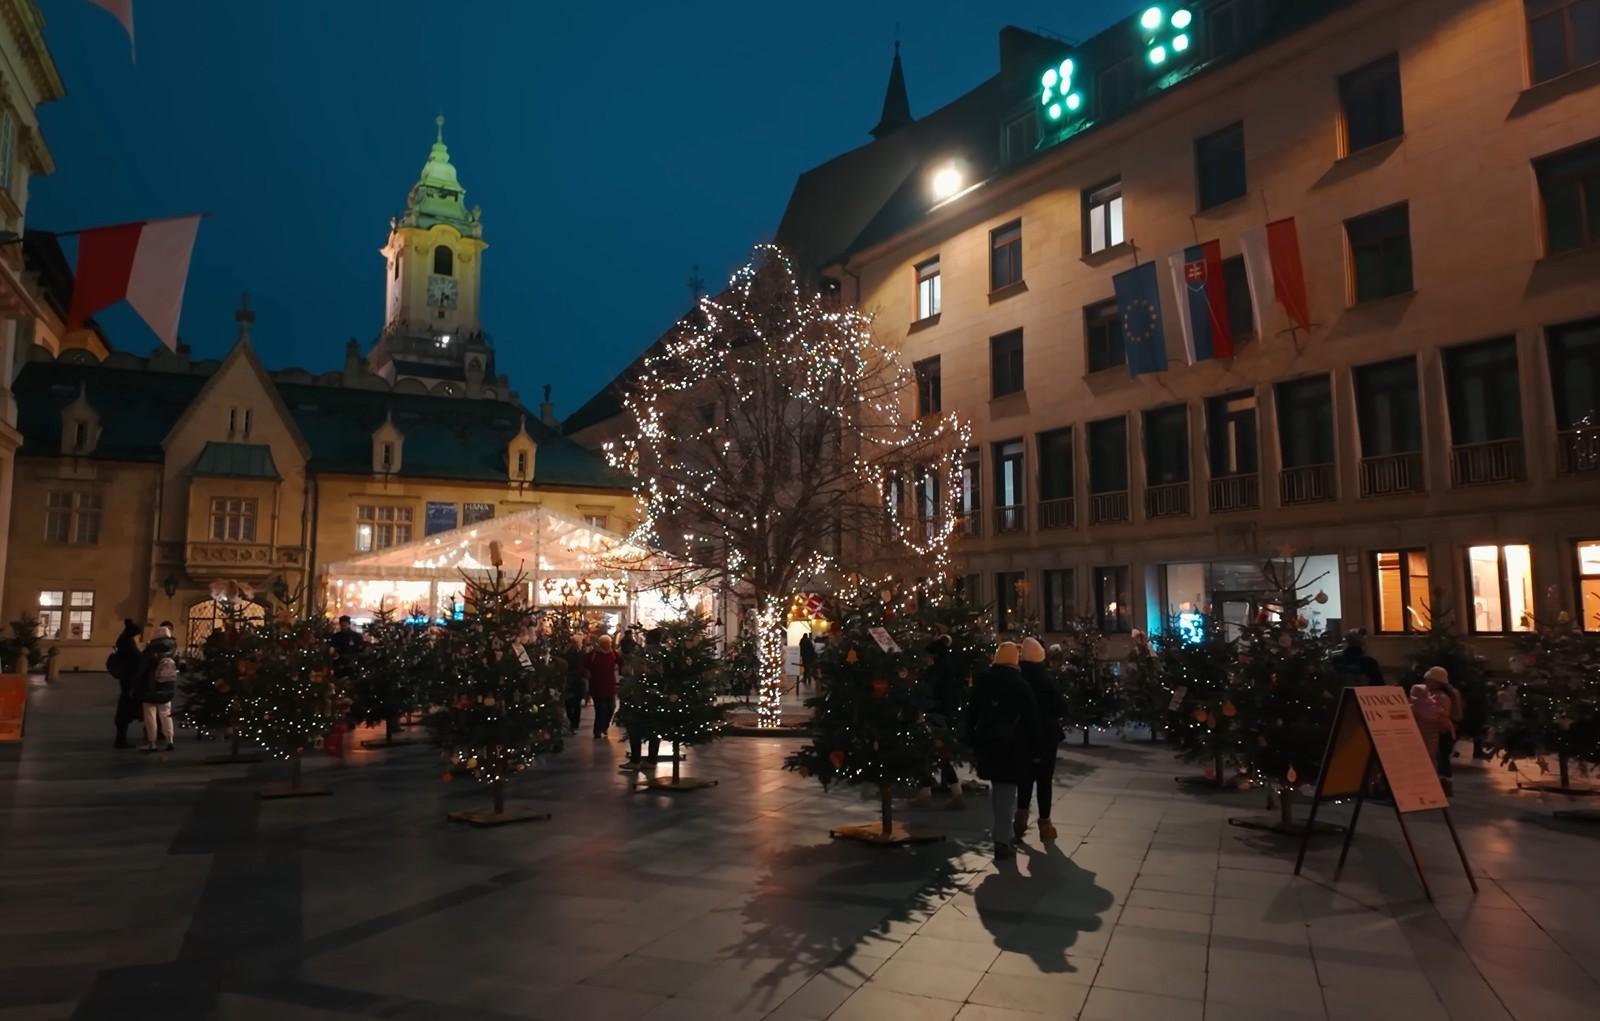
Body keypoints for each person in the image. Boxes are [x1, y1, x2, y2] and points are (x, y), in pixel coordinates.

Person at [967, 641, 1041, 858]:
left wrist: (971, 739)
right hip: (1013, 746)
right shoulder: (1020, 684)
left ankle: (1003, 834)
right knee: (1007, 792)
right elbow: (1031, 719)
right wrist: (1036, 749)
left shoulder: (984, 681)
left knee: (999, 790)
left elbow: (972, 712)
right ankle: (1002, 841)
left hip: (988, 743)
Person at [1016, 637, 1068, 841]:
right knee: (1044, 780)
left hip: (1022, 735)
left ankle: (1020, 817)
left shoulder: (1017, 677)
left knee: (1024, 778)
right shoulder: (1045, 679)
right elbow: (1061, 708)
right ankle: (1045, 823)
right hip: (1046, 735)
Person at [911, 635, 965, 810]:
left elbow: (929, 694)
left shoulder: (935, 674)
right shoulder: (949, 669)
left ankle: (950, 793)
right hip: (944, 716)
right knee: (936, 754)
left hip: (935, 716)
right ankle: (929, 791)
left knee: (934, 753)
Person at [138, 622, 179, 752]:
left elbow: (141, 668)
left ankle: (152, 742)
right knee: (166, 714)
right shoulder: (173, 649)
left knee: (150, 715)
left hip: (151, 686)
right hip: (167, 686)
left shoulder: (150, 649)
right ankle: (170, 740)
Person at [1423, 665, 1463, 794]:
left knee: (1442, 756)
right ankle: (1442, 783)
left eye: (1429, 680)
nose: (1426, 683)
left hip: (1442, 731)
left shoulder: (1442, 697)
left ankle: (1444, 785)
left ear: (1437, 681)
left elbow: (1440, 714)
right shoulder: (1440, 694)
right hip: (1440, 730)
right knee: (1441, 757)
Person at [110, 619, 143, 748]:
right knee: (125, 712)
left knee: (125, 711)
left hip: (127, 682)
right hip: (130, 682)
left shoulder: (123, 643)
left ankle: (121, 739)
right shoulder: (129, 647)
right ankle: (120, 741)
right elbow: (138, 662)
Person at [586, 633, 622, 739]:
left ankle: (605, 726)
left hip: (610, 685)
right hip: (597, 686)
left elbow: (621, 662)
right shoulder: (594, 654)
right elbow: (584, 665)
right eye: (606, 643)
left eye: (609, 643)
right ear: (601, 644)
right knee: (600, 709)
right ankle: (597, 730)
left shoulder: (613, 654)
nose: (608, 645)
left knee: (611, 708)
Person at [563, 634, 587, 735]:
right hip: (569, 682)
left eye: (576, 643)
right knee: (568, 704)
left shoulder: (583, 654)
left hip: (578, 682)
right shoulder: (567, 654)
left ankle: (575, 724)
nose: (575, 645)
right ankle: (571, 721)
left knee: (576, 705)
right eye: (573, 643)